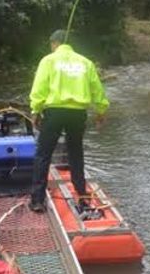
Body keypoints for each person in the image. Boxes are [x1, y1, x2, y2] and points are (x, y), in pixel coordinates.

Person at [28, 29, 109, 213]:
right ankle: (81, 196)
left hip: (54, 112)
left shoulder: (48, 61)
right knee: (75, 154)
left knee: (43, 155)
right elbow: (97, 90)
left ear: (54, 43)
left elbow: (39, 88)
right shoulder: (85, 62)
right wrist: (101, 111)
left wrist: (35, 110)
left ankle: (37, 200)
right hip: (78, 114)